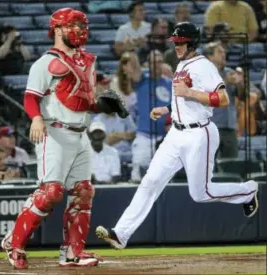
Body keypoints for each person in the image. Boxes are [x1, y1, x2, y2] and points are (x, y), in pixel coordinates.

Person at [95, 22, 259, 250]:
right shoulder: (181, 64)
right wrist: (168, 110)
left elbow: (223, 99)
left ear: (191, 42)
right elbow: (184, 101)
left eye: (180, 42)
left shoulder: (204, 65)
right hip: (176, 133)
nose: (176, 46)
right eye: (175, 42)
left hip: (200, 133)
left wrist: (190, 92)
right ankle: (121, 233)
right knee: (150, 181)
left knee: (201, 193)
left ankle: (248, 190)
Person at [0, 7, 121, 269]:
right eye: (71, 25)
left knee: (84, 191)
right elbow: (31, 96)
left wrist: (102, 107)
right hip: (54, 131)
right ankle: (14, 242)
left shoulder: (87, 61)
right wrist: (36, 118)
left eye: (81, 25)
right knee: (51, 192)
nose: (78, 30)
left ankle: (72, 253)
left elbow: (84, 101)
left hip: (81, 134)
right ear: (56, 30)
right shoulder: (45, 62)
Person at [130, 50, 172, 182]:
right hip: (144, 136)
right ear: (148, 64)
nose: (157, 65)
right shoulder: (142, 80)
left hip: (165, 137)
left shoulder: (170, 84)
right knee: (137, 175)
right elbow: (133, 67)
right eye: (154, 62)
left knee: (165, 176)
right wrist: (134, 49)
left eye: (160, 62)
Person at [203, 41, 245, 158]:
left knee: (231, 165)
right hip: (211, 126)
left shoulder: (230, 72)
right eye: (220, 52)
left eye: (224, 51)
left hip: (230, 127)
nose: (224, 54)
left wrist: (239, 84)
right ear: (210, 56)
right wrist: (226, 82)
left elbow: (242, 97)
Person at [110, 52, 138, 121]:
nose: (135, 66)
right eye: (132, 63)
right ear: (124, 66)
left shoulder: (139, 82)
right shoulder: (115, 82)